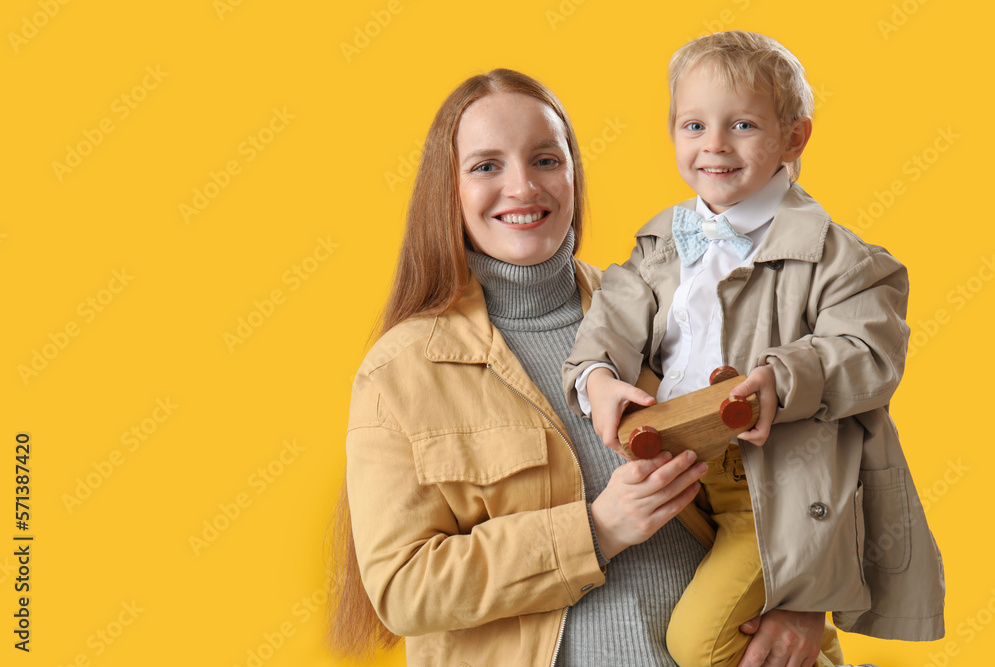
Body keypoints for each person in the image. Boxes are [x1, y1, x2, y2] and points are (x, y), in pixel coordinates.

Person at [329, 67, 845, 666]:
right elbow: (404, 589)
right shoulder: (401, 373)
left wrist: (809, 599)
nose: (522, 187)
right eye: (486, 166)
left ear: (573, 173)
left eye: (546, 159)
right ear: (447, 189)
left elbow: (801, 455)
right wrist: (597, 531)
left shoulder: (669, 304)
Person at [562, 31, 945, 667]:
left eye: (742, 124)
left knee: (700, 646)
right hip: (684, 474)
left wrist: (783, 378)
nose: (714, 144)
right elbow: (611, 318)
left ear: (794, 139)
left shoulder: (840, 259)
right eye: (693, 125)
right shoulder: (661, 244)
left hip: (777, 492)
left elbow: (869, 351)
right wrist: (597, 377)